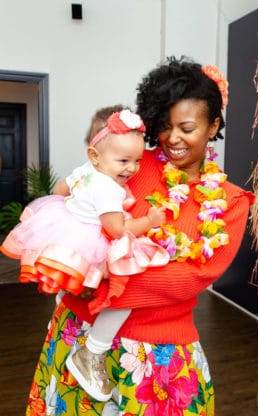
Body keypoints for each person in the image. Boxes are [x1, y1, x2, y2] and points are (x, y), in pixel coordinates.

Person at [25, 56, 254, 416]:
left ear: (213, 126)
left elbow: (192, 277)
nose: (172, 138)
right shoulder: (131, 163)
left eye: (187, 127)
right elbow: (79, 207)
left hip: (158, 354)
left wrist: (100, 281)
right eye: (165, 126)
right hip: (78, 331)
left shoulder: (231, 201)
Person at [0, 106, 168, 402]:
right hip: (94, 238)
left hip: (68, 231)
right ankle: (92, 351)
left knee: (73, 275)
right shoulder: (109, 190)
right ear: (95, 155)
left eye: (137, 161)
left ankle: (64, 300)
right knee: (126, 281)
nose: (131, 169)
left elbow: (59, 189)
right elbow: (117, 229)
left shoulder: (84, 171)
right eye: (123, 160)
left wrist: (72, 210)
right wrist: (150, 222)